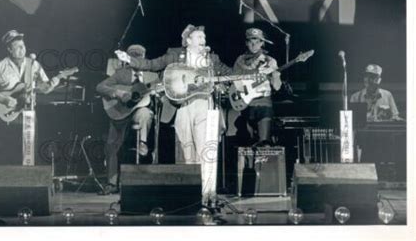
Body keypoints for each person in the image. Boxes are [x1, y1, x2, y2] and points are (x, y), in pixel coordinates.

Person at [115, 25, 232, 204]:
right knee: (187, 151)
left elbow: (230, 74)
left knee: (206, 150)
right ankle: (193, 194)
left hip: (205, 105)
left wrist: (251, 77)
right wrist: (129, 59)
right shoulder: (176, 56)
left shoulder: (212, 59)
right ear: (188, 40)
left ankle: (209, 194)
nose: (203, 40)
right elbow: (152, 64)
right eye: (199, 37)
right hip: (183, 107)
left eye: (204, 37)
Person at [0, 30, 60, 164]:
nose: (22, 49)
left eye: (23, 45)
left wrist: (54, 82)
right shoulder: (0, 66)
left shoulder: (33, 64)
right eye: (17, 46)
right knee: (10, 150)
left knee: (29, 153)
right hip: (9, 115)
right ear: (9, 49)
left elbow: (45, 89)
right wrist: (4, 99)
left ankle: (28, 178)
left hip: (29, 112)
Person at [96, 44, 157, 194]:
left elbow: (158, 95)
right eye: (133, 56)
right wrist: (119, 93)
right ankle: (111, 184)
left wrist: (158, 94)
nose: (137, 59)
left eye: (140, 56)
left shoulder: (152, 76)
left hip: (138, 112)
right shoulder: (121, 74)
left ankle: (142, 143)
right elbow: (100, 87)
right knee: (111, 146)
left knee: (145, 112)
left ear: (144, 58)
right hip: (119, 113)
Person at [233, 28, 282, 146]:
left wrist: (275, 75)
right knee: (246, 144)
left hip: (264, 104)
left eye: (257, 41)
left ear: (262, 43)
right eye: (250, 41)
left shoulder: (270, 61)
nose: (254, 44)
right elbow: (234, 81)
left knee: (264, 143)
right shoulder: (240, 60)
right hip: (246, 105)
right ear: (246, 43)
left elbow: (277, 87)